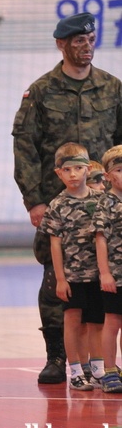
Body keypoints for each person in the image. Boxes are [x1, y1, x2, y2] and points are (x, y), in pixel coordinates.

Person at [12, 11, 122, 385]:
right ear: (62, 44)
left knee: (106, 282)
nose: (86, 46)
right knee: (57, 281)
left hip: (105, 206)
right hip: (58, 205)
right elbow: (25, 149)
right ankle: (58, 357)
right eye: (78, 41)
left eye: (90, 40)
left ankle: (101, 362)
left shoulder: (112, 88)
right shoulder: (41, 92)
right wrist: (35, 201)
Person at [40, 142, 105, 391]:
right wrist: (60, 278)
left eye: (79, 168)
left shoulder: (102, 200)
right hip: (72, 275)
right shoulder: (57, 205)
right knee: (72, 321)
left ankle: (98, 369)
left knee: (97, 322)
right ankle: (76, 371)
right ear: (59, 173)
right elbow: (55, 246)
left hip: (99, 275)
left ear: (88, 169)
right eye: (67, 170)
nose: (74, 174)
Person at [96, 145, 122, 392]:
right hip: (116, 275)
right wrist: (105, 272)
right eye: (120, 170)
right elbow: (100, 238)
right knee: (112, 322)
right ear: (108, 176)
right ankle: (110, 371)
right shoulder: (107, 202)